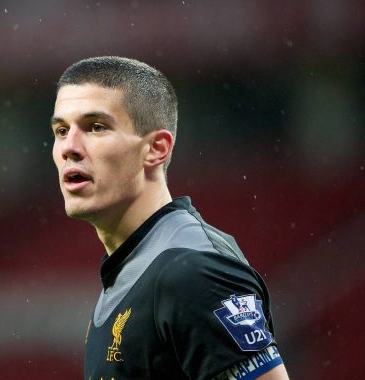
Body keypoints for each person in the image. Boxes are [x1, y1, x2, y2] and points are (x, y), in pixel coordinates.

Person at [50, 56, 289, 380]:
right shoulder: (130, 274)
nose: (69, 147)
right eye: (61, 130)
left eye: (96, 127)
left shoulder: (192, 272)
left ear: (156, 149)